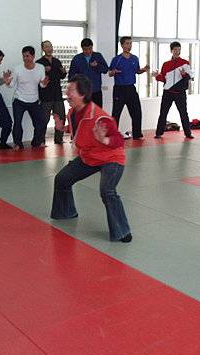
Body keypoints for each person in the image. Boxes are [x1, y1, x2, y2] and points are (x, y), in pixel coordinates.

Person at [51, 74, 132, 242]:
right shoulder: (73, 112)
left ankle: (123, 232)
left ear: (82, 94)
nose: (67, 94)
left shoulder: (99, 116)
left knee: (107, 191)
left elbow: (117, 139)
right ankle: (66, 212)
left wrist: (104, 139)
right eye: (67, 89)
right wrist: (63, 128)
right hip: (90, 156)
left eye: (71, 90)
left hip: (111, 157)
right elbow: (79, 129)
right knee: (62, 179)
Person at [4, 46, 48, 150]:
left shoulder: (40, 67)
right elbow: (11, 85)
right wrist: (7, 82)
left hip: (34, 100)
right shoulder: (17, 69)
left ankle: (36, 142)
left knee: (41, 122)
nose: (25, 58)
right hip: (19, 100)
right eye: (23, 56)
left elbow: (42, 85)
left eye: (27, 56)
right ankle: (18, 144)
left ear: (33, 56)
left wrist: (44, 84)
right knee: (17, 123)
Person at [108, 36, 149, 140]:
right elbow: (110, 73)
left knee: (137, 112)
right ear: (122, 45)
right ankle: (113, 135)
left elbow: (137, 71)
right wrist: (113, 72)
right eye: (127, 43)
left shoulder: (135, 58)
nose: (129, 46)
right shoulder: (117, 59)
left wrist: (143, 70)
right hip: (119, 89)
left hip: (131, 89)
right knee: (116, 113)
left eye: (130, 43)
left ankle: (137, 134)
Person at [152, 41, 194, 139]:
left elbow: (189, 77)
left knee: (183, 113)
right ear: (171, 51)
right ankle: (159, 133)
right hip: (168, 93)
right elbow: (164, 79)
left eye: (179, 50)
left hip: (180, 93)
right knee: (163, 113)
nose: (177, 51)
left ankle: (188, 133)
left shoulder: (185, 63)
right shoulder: (166, 64)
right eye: (175, 49)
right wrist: (156, 76)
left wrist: (184, 74)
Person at [36, 40, 67, 144]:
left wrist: (64, 72)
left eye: (50, 46)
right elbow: (36, 78)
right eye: (47, 47)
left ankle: (59, 139)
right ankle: (41, 141)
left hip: (57, 95)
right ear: (43, 49)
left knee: (61, 118)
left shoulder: (57, 61)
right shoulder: (39, 63)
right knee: (44, 120)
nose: (49, 48)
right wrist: (43, 70)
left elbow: (62, 76)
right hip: (45, 96)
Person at [68, 38, 109, 107]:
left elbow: (105, 70)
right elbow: (71, 76)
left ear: (92, 47)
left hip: (96, 91)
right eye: (85, 49)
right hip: (82, 93)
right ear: (82, 48)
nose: (88, 51)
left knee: (97, 114)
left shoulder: (98, 56)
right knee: (83, 114)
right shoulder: (77, 59)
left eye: (90, 49)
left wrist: (97, 66)